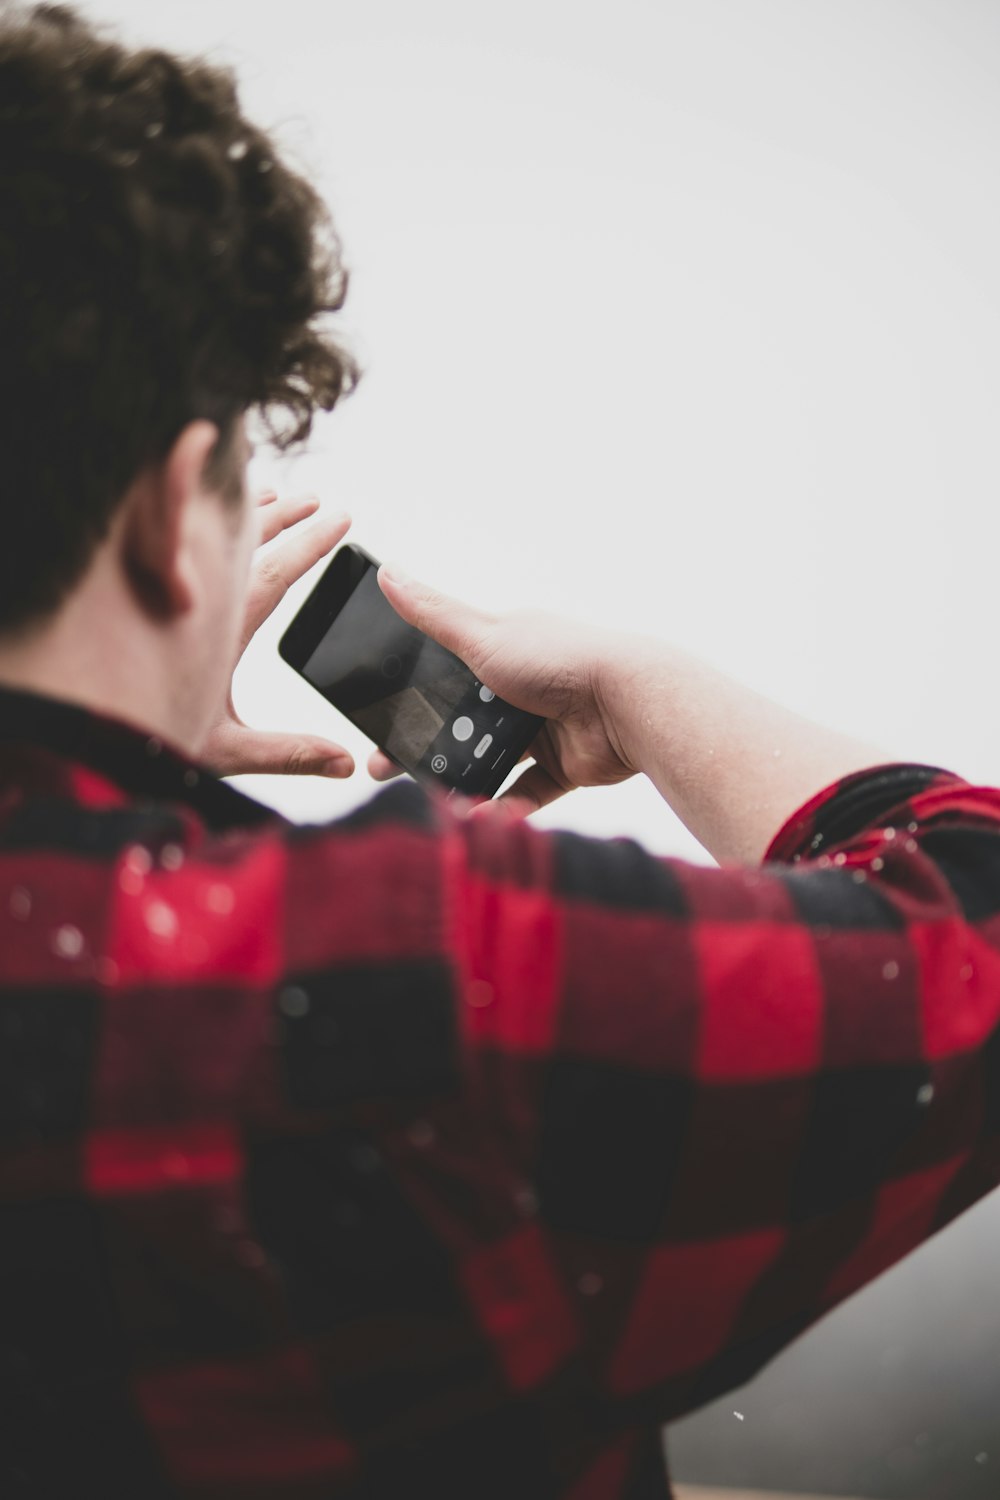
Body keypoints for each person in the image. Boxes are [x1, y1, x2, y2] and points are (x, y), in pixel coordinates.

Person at [0, 5, 997, 1498]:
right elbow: (973, 918)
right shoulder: (405, 980)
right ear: (168, 517)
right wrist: (630, 678)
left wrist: (110, 758)